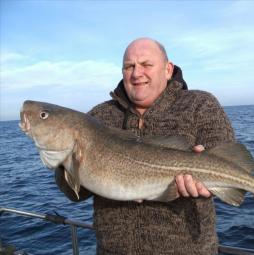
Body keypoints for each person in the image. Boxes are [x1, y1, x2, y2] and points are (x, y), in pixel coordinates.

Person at [55, 38, 235, 254]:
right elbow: (74, 194)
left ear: (168, 70)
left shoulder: (201, 104)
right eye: (129, 66)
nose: (136, 73)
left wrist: (209, 182)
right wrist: (65, 161)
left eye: (146, 65)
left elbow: (230, 165)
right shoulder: (97, 117)